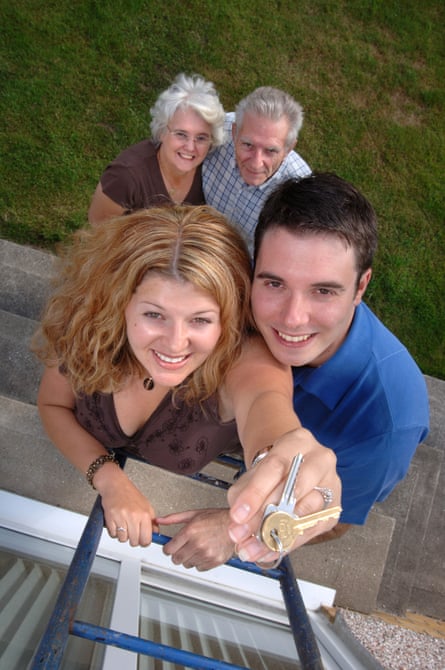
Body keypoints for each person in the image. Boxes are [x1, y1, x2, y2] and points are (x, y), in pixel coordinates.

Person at [33, 205, 341, 571]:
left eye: (200, 320)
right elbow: (53, 405)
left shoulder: (246, 359)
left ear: (227, 319)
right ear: (119, 302)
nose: (175, 344)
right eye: (154, 315)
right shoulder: (86, 322)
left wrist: (290, 465)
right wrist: (109, 478)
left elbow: (267, 404)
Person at [227, 172, 429, 557]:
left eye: (323, 291)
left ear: (361, 287)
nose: (292, 318)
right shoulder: (236, 297)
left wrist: (232, 528)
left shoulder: (389, 422)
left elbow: (337, 519)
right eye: (274, 283)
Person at [88, 73, 226, 224]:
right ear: (161, 132)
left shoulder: (210, 172)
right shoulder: (125, 176)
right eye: (181, 134)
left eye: (201, 138)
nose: (190, 147)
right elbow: (99, 231)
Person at [202, 86, 311, 252]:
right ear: (234, 132)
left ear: (289, 148)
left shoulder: (301, 193)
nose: (256, 163)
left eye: (270, 151)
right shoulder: (216, 132)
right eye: (248, 145)